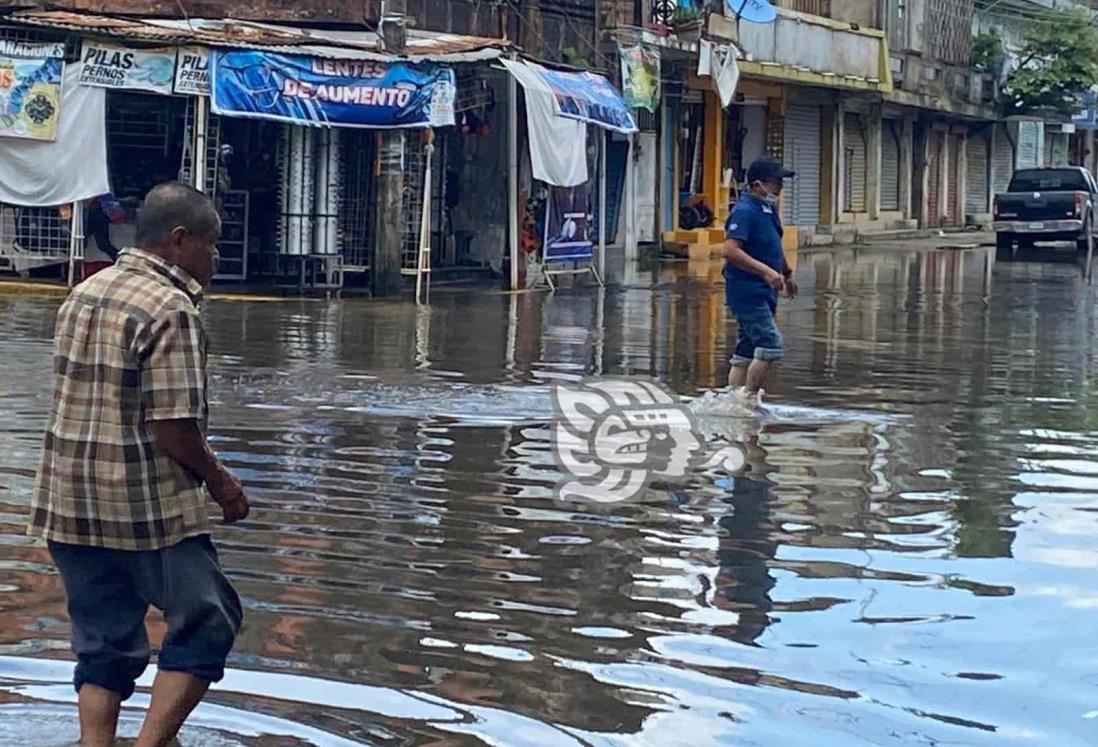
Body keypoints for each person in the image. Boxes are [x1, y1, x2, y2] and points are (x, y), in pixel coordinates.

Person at [28, 182, 250, 747]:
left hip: (69, 502)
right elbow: (174, 427)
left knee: (104, 638)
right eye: (212, 244)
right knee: (209, 618)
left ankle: (95, 743)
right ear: (179, 242)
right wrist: (222, 484)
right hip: (143, 508)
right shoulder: (171, 308)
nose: (216, 258)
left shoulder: (87, 290)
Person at [723, 156, 799, 395]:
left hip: (764, 290)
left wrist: (785, 272)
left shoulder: (768, 210)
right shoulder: (744, 211)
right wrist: (767, 272)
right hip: (747, 290)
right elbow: (730, 251)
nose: (780, 188)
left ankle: (732, 399)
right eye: (777, 182)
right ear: (758, 185)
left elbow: (772, 243)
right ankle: (748, 400)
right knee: (770, 343)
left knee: (747, 346)